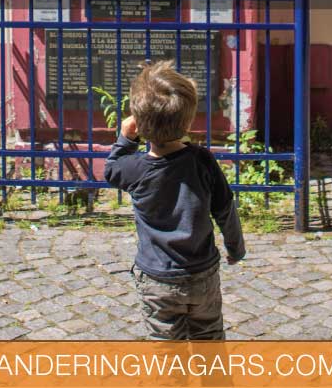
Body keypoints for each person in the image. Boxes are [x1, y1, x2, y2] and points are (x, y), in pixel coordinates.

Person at [104, 60, 245, 341]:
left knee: (167, 354)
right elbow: (224, 209)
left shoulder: (134, 168)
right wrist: (235, 247)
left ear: (138, 123)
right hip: (202, 273)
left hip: (158, 279)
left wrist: (125, 138)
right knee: (210, 344)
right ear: (188, 121)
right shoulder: (203, 160)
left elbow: (111, 169)